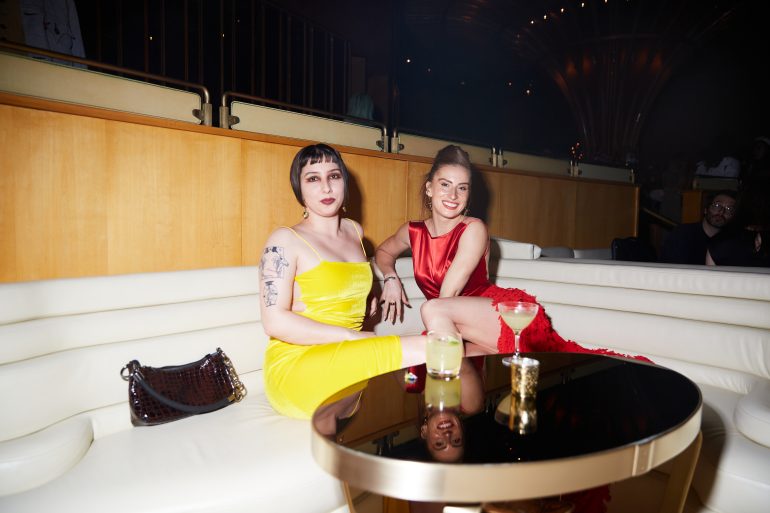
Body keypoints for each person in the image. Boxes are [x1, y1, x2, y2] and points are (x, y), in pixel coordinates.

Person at [374, 144, 648, 359]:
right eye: (445, 184)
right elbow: (383, 253)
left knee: (431, 319)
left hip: (502, 319)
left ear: (468, 195)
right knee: (420, 369)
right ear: (429, 188)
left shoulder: (473, 229)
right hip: (459, 328)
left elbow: (447, 296)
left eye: (462, 188)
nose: (453, 196)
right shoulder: (412, 231)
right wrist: (391, 278)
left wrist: (429, 335)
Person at [260, 143, 427, 419]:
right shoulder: (284, 240)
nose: (326, 187)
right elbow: (274, 322)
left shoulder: (354, 230)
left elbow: (342, 281)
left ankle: (419, 408)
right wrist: (351, 336)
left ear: (344, 183)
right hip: (298, 366)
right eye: (313, 178)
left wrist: (372, 290)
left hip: (349, 358)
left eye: (334, 176)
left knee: (418, 372)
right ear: (299, 188)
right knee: (433, 348)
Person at [659, 190, 738, 265]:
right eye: (717, 206)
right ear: (706, 210)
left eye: (729, 209)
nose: (721, 211)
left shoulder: (733, 242)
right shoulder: (683, 234)